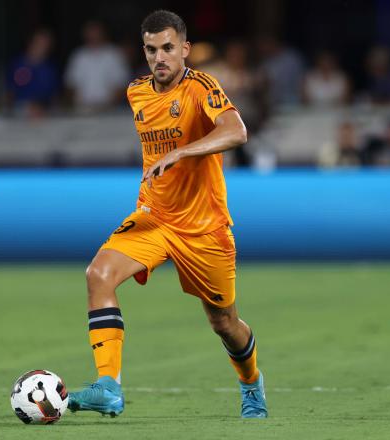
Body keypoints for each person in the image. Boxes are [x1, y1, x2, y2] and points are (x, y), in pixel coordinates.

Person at [67, 10, 267, 419]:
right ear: (144, 51)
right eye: (152, 49)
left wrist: (182, 150)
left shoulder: (202, 87)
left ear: (185, 50)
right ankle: (109, 387)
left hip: (204, 228)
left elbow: (237, 131)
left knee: (224, 322)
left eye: (169, 48)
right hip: (155, 217)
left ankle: (251, 384)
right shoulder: (136, 92)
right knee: (98, 274)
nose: (161, 57)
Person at [64, 21, 130, 113]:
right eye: (90, 32)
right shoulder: (78, 56)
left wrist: (111, 103)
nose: (93, 35)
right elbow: (70, 85)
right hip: (82, 109)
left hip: (110, 109)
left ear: (103, 33)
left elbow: (123, 83)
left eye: (96, 32)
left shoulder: (114, 54)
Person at [6, 29, 60, 117]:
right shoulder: (19, 64)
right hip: (21, 108)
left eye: (46, 43)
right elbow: (11, 92)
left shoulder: (50, 67)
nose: (42, 46)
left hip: (45, 110)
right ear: (31, 43)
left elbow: (54, 94)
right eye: (40, 42)